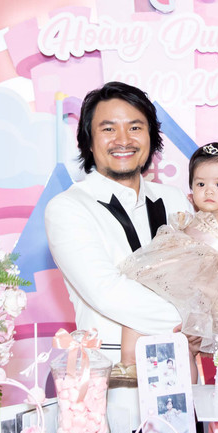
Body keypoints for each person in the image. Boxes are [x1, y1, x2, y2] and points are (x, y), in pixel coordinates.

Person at [45, 82, 194, 383]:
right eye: (108, 129)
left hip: (180, 369)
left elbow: (199, 277)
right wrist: (195, 320)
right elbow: (106, 291)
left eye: (135, 127)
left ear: (151, 137)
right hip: (110, 377)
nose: (123, 140)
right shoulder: (68, 207)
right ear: (88, 141)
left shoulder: (176, 200)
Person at [118, 142, 218, 358]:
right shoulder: (193, 215)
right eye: (200, 184)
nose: (209, 190)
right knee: (142, 310)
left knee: (187, 346)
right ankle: (128, 362)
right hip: (187, 287)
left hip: (210, 292)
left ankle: (177, 374)